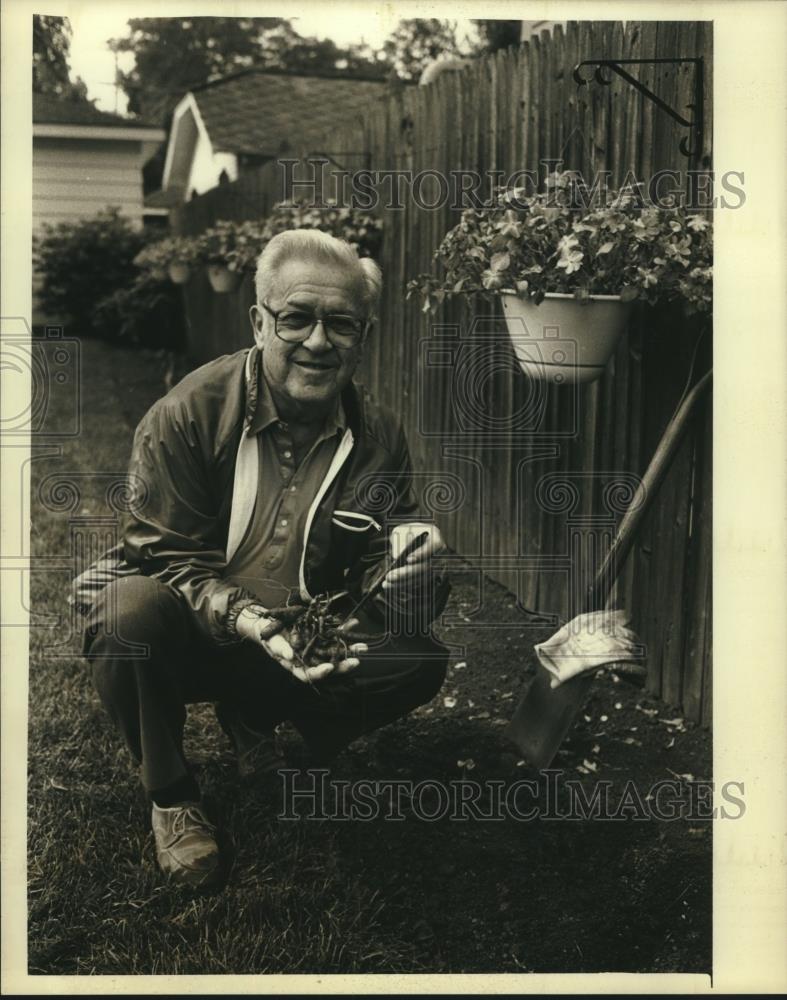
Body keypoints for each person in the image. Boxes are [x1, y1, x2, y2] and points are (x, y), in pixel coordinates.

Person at [72, 229, 450, 888]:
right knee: (126, 614)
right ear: (259, 321)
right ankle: (172, 796)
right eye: (297, 318)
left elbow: (376, 562)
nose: (318, 341)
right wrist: (244, 617)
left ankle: (254, 713)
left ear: (363, 335)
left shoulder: (379, 434)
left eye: (342, 324)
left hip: (298, 633)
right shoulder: (187, 413)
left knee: (413, 659)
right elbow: (162, 554)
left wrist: (409, 557)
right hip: (193, 627)